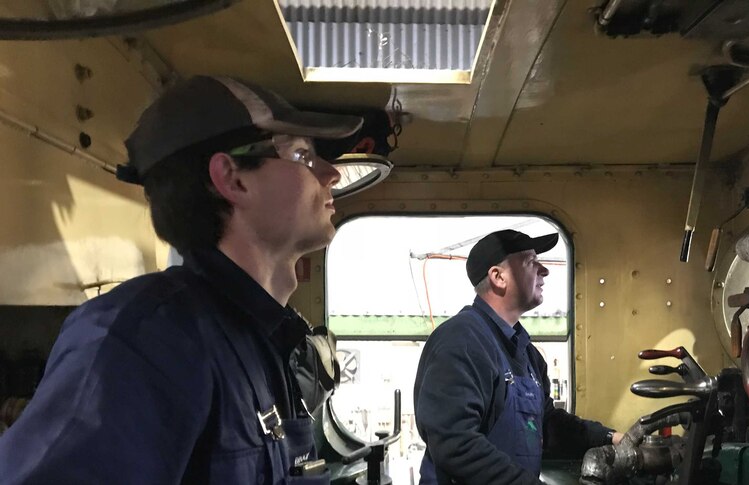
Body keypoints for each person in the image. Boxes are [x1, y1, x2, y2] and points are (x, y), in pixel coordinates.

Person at [0, 76, 363, 484]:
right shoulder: (146, 341)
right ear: (232, 178)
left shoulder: (258, 341)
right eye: (300, 154)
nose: (331, 174)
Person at [414, 229, 624, 484]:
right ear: (499, 277)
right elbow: (456, 445)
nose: (544, 271)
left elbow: (545, 423)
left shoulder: (528, 354)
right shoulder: (462, 341)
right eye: (531, 262)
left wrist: (610, 438)